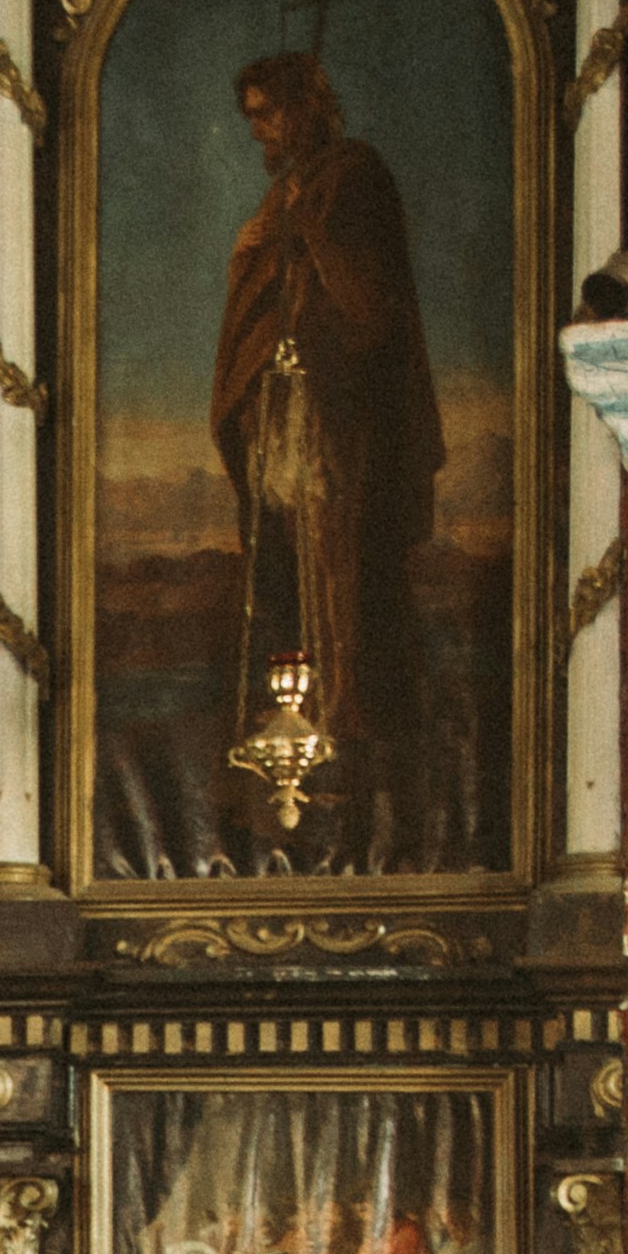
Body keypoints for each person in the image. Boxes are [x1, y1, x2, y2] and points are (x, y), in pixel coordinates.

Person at [210, 49, 443, 851]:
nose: (262, 133)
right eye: (252, 119)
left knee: (340, 560)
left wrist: (301, 232)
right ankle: (292, 713)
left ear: (307, 108)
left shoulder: (354, 175)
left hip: (338, 411)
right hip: (278, 407)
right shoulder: (287, 192)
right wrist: (256, 254)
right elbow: (255, 287)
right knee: (281, 561)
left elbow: (369, 299)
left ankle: (344, 707)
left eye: (269, 114)